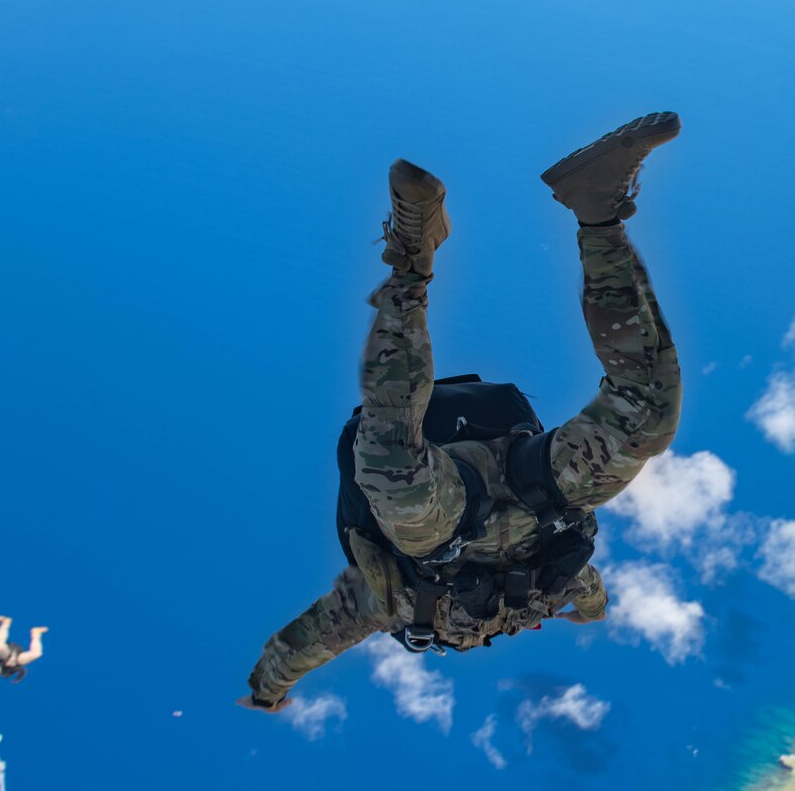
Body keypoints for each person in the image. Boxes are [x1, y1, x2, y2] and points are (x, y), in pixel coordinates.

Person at [243, 113, 684, 712]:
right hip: (537, 489)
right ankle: (598, 209)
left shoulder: (393, 607)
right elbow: (588, 589)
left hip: (437, 521)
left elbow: (306, 644)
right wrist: (589, 611)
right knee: (648, 414)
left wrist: (268, 689)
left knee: (393, 472)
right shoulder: (559, 591)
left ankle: (410, 262)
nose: (501, 621)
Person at [0, 616, 47, 681]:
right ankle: (36, 633)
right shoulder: (11, 670)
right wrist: (18, 678)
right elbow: (23, 671)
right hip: (18, 658)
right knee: (37, 654)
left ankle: (5, 623)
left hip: (6, 654)